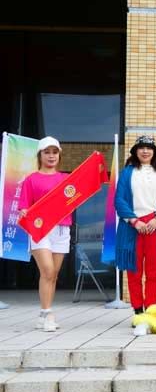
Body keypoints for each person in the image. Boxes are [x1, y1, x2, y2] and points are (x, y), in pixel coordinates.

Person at [115, 136, 156, 316]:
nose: (145, 151)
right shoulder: (127, 173)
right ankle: (138, 311)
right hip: (132, 227)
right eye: (141, 148)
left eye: (149, 148)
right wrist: (134, 221)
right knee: (133, 272)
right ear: (135, 152)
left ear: (154, 152)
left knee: (153, 272)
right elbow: (119, 200)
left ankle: (150, 309)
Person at [18, 136, 70, 332]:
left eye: (54, 152)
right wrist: (24, 212)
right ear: (39, 155)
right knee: (47, 270)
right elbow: (24, 206)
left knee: (53, 275)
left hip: (62, 229)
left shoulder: (65, 179)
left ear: (59, 155)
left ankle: (43, 313)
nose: (51, 156)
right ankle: (48, 313)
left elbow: (74, 199)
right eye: (46, 152)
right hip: (41, 230)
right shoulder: (31, 179)